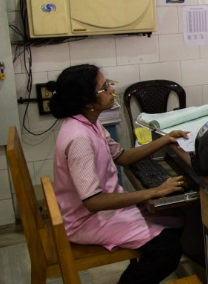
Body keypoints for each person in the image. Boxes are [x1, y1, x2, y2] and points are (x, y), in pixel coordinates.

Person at [48, 64, 189, 284]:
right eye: (104, 88)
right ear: (87, 102)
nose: (112, 89)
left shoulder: (89, 124)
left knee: (176, 218)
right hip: (86, 220)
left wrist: (163, 139)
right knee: (167, 248)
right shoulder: (79, 140)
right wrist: (153, 192)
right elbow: (93, 202)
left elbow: (122, 156)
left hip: (99, 211)